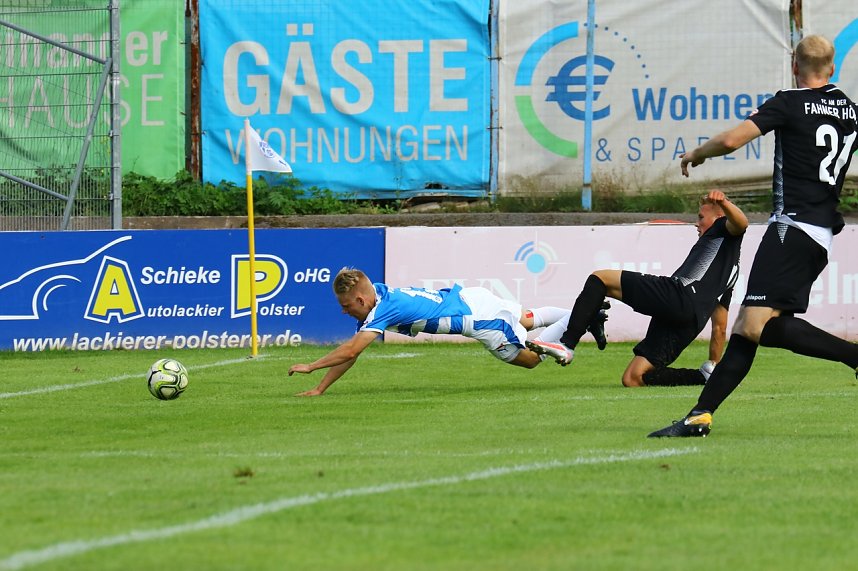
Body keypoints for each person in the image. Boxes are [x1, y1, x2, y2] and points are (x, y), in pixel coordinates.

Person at [649, 34, 858, 437]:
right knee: (750, 325)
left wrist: (697, 154)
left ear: (795, 67)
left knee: (756, 325)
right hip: (819, 235)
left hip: (791, 228)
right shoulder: (850, 111)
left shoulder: (789, 101)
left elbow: (731, 140)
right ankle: (699, 415)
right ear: (832, 69)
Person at [527, 190, 748, 388]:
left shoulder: (722, 229)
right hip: (690, 322)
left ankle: (567, 344)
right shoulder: (732, 271)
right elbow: (719, 327)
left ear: (720, 218)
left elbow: (742, 224)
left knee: (599, 279)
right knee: (633, 378)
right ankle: (701, 378)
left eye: (700, 217)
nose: (696, 223)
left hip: (677, 295)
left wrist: (725, 202)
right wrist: (713, 365)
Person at [287, 267, 580, 396]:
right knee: (529, 318)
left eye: (347, 305)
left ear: (361, 300)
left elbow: (350, 350)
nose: (344, 310)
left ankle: (563, 336)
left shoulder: (380, 310)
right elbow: (351, 354)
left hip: (475, 318)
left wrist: (311, 367)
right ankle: (584, 313)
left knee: (529, 359)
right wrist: (321, 388)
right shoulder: (378, 294)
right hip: (471, 297)